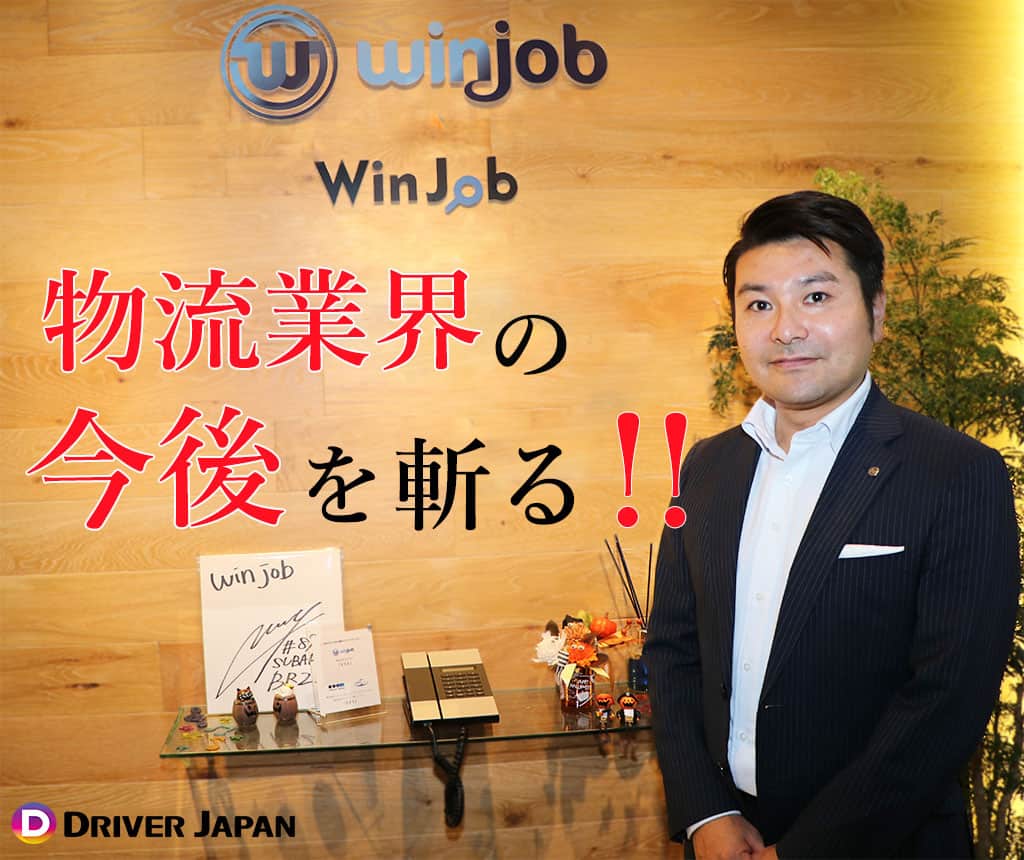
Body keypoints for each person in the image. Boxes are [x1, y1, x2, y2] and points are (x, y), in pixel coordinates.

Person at [644, 191, 1019, 859]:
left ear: (877, 312)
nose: (785, 329)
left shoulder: (956, 473)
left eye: (815, 297)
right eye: (759, 304)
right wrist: (706, 814)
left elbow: (945, 701)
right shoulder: (706, 467)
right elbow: (672, 652)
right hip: (728, 836)